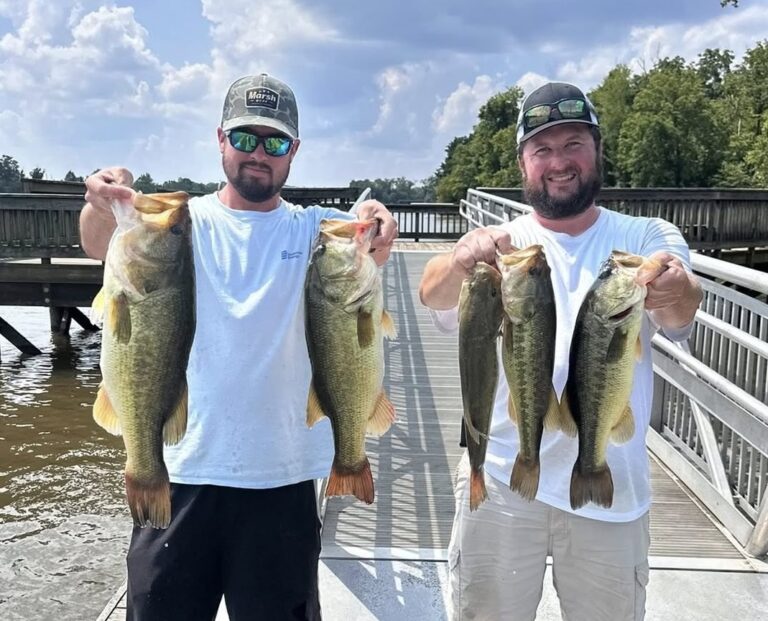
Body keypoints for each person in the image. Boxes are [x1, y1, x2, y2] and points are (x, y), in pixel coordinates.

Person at [80, 73, 398, 621]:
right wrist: (101, 200)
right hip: (180, 474)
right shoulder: (180, 224)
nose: (259, 154)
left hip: (282, 481)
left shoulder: (315, 231)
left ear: (294, 151)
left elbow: (369, 242)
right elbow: (96, 243)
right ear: (220, 139)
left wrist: (379, 223)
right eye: (245, 138)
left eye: (276, 142)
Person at [418, 81, 703, 621]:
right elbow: (432, 292)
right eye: (542, 149)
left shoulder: (645, 236)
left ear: (597, 149)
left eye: (574, 144)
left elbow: (680, 308)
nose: (559, 162)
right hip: (501, 481)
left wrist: (673, 287)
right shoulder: (505, 245)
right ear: (523, 163)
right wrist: (459, 260)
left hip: (612, 489)